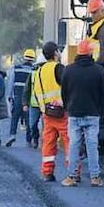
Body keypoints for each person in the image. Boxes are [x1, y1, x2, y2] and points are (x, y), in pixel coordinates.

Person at [60, 39, 104, 187]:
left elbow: (64, 93)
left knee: (74, 145)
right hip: (92, 114)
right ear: (91, 52)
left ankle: (71, 176)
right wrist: (103, 112)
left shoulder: (68, 70)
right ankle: (95, 177)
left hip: (74, 113)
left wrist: (67, 107)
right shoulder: (99, 70)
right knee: (92, 145)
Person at [32, 42, 68, 181]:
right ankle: (73, 172)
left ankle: (47, 172)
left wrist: (43, 108)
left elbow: (37, 92)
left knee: (48, 143)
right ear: (55, 53)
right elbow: (68, 85)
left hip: (46, 113)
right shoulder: (58, 68)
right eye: (59, 51)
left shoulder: (39, 71)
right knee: (69, 142)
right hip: (61, 112)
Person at [6, 49, 37, 145]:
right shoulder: (34, 70)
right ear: (33, 59)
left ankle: (12, 135)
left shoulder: (16, 68)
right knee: (29, 119)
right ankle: (29, 140)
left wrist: (9, 95)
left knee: (15, 117)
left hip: (18, 96)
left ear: (24, 58)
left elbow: (10, 83)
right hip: (29, 98)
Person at [21, 53, 43, 148]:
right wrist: (25, 103)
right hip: (34, 104)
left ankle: (45, 143)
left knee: (47, 127)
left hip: (47, 105)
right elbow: (27, 89)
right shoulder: (33, 74)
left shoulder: (50, 74)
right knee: (32, 125)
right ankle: (35, 138)